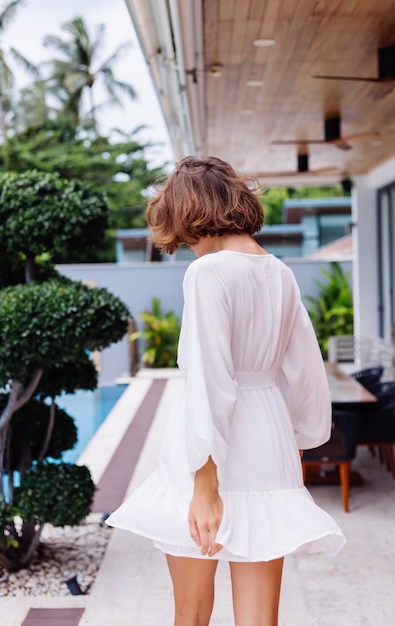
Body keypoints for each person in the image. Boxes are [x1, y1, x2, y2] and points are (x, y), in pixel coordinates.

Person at [106, 156, 345, 626]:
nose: (186, 245)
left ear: (193, 213)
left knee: (191, 615)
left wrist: (204, 482)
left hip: (209, 453)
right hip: (268, 442)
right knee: (260, 620)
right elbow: (306, 372)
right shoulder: (280, 272)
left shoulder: (209, 272)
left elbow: (211, 379)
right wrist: (294, 439)